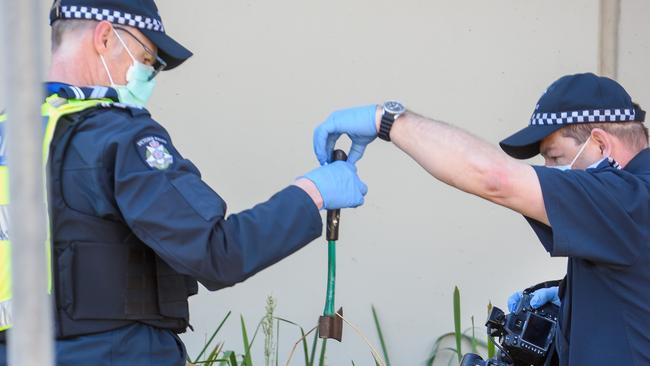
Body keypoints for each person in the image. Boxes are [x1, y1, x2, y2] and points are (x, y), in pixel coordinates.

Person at [0, 0, 369, 365]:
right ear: (106, 37)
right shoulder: (119, 137)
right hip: (116, 353)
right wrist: (313, 192)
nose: (149, 75)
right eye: (147, 59)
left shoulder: (9, 132)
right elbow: (218, 254)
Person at [313, 73, 650, 365]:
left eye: (555, 157)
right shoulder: (626, 207)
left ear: (602, 145)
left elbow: (494, 179)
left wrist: (387, 121)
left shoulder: (625, 200)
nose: (550, 172)